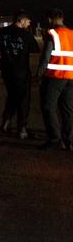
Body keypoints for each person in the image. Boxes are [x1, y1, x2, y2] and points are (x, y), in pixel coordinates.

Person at [0, 10, 38, 137]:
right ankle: (22, 128)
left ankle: (6, 122)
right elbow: (35, 49)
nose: (29, 23)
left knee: (12, 96)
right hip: (21, 71)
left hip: (6, 70)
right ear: (21, 20)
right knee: (23, 100)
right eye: (28, 21)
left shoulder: (2, 31)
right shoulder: (26, 35)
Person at [36, 9, 73, 150]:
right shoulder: (72, 34)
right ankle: (69, 141)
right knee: (67, 110)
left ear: (50, 19)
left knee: (48, 107)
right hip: (71, 78)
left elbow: (45, 58)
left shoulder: (52, 34)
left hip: (55, 77)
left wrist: (38, 75)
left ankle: (55, 139)